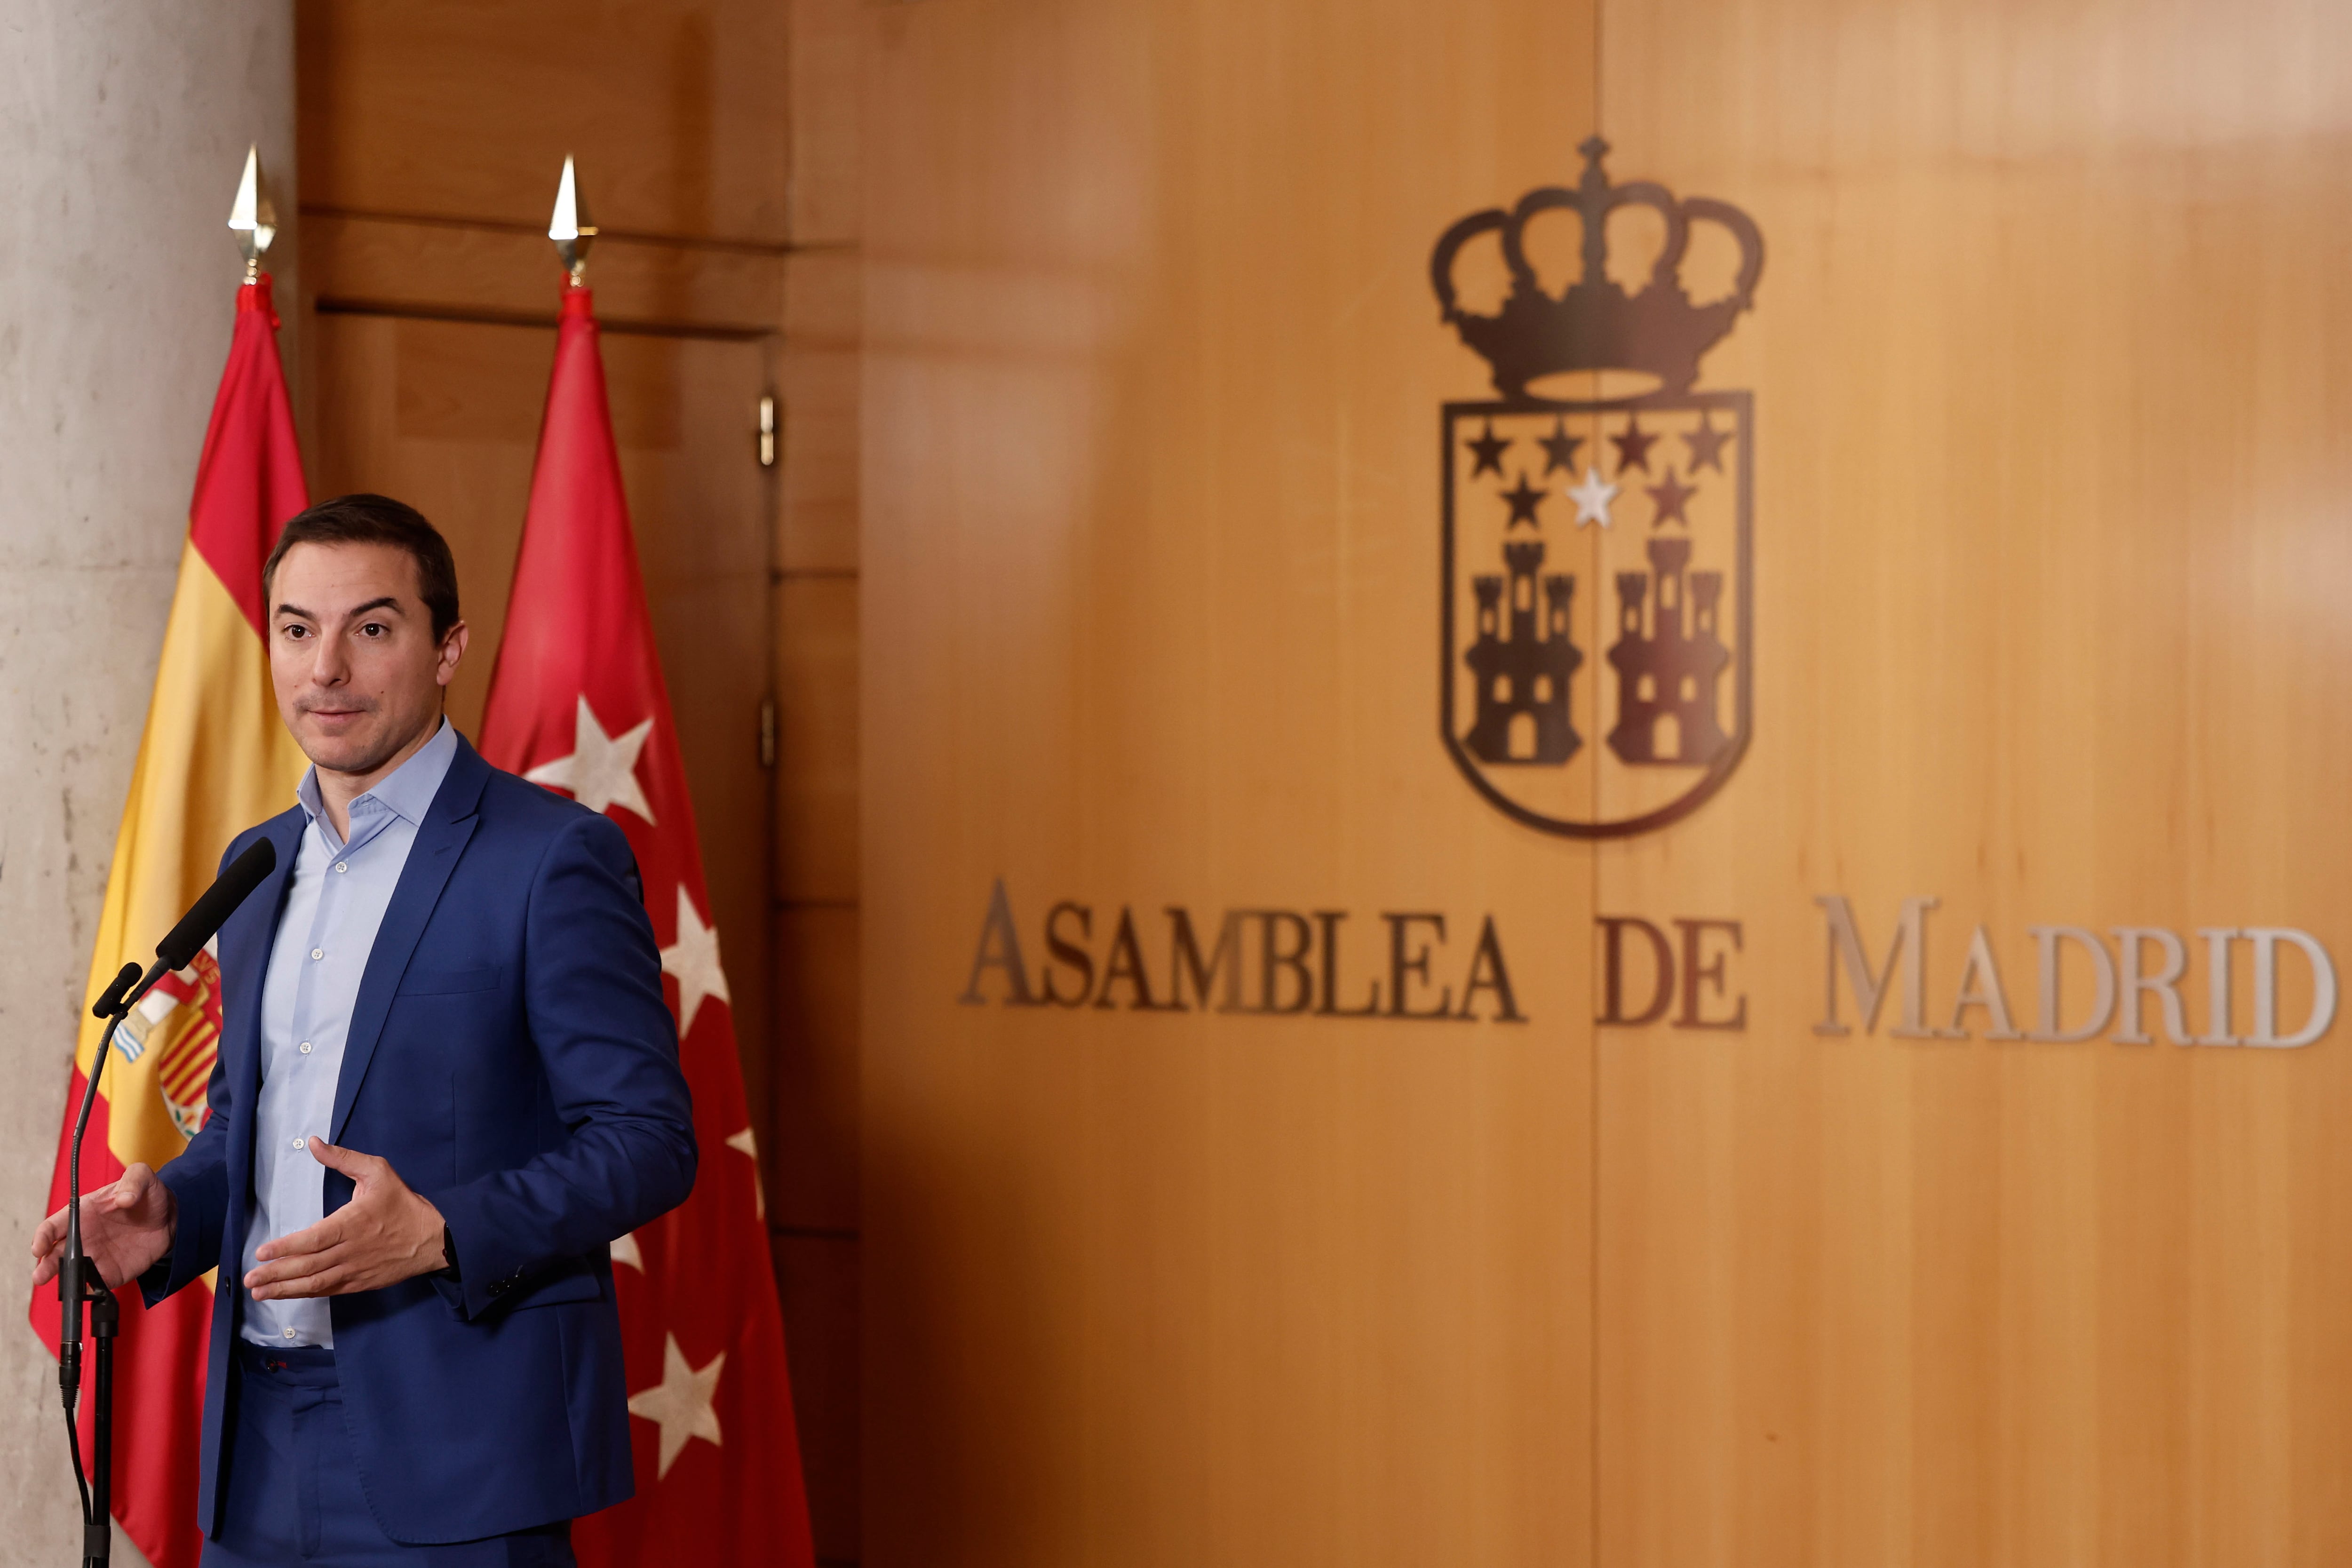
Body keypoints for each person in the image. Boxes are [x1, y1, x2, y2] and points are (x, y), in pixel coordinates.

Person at [30, 494, 697, 1566]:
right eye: (298, 628)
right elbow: (248, 1126)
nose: (325, 666)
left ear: (448, 648)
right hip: (255, 1448)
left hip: (466, 1451)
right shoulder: (255, 866)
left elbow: (649, 1138)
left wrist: (444, 1228)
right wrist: (177, 1212)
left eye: (371, 628)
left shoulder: (549, 857)